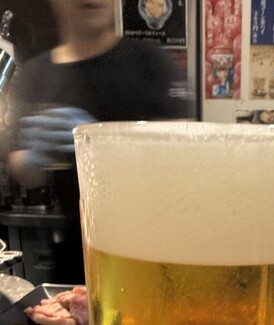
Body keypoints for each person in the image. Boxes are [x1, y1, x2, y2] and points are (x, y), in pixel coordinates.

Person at [8, 0, 191, 283]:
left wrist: (101, 144)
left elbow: (184, 154)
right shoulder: (33, 76)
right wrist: (34, 157)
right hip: (74, 252)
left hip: (147, 254)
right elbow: (23, 170)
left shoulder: (150, 62)